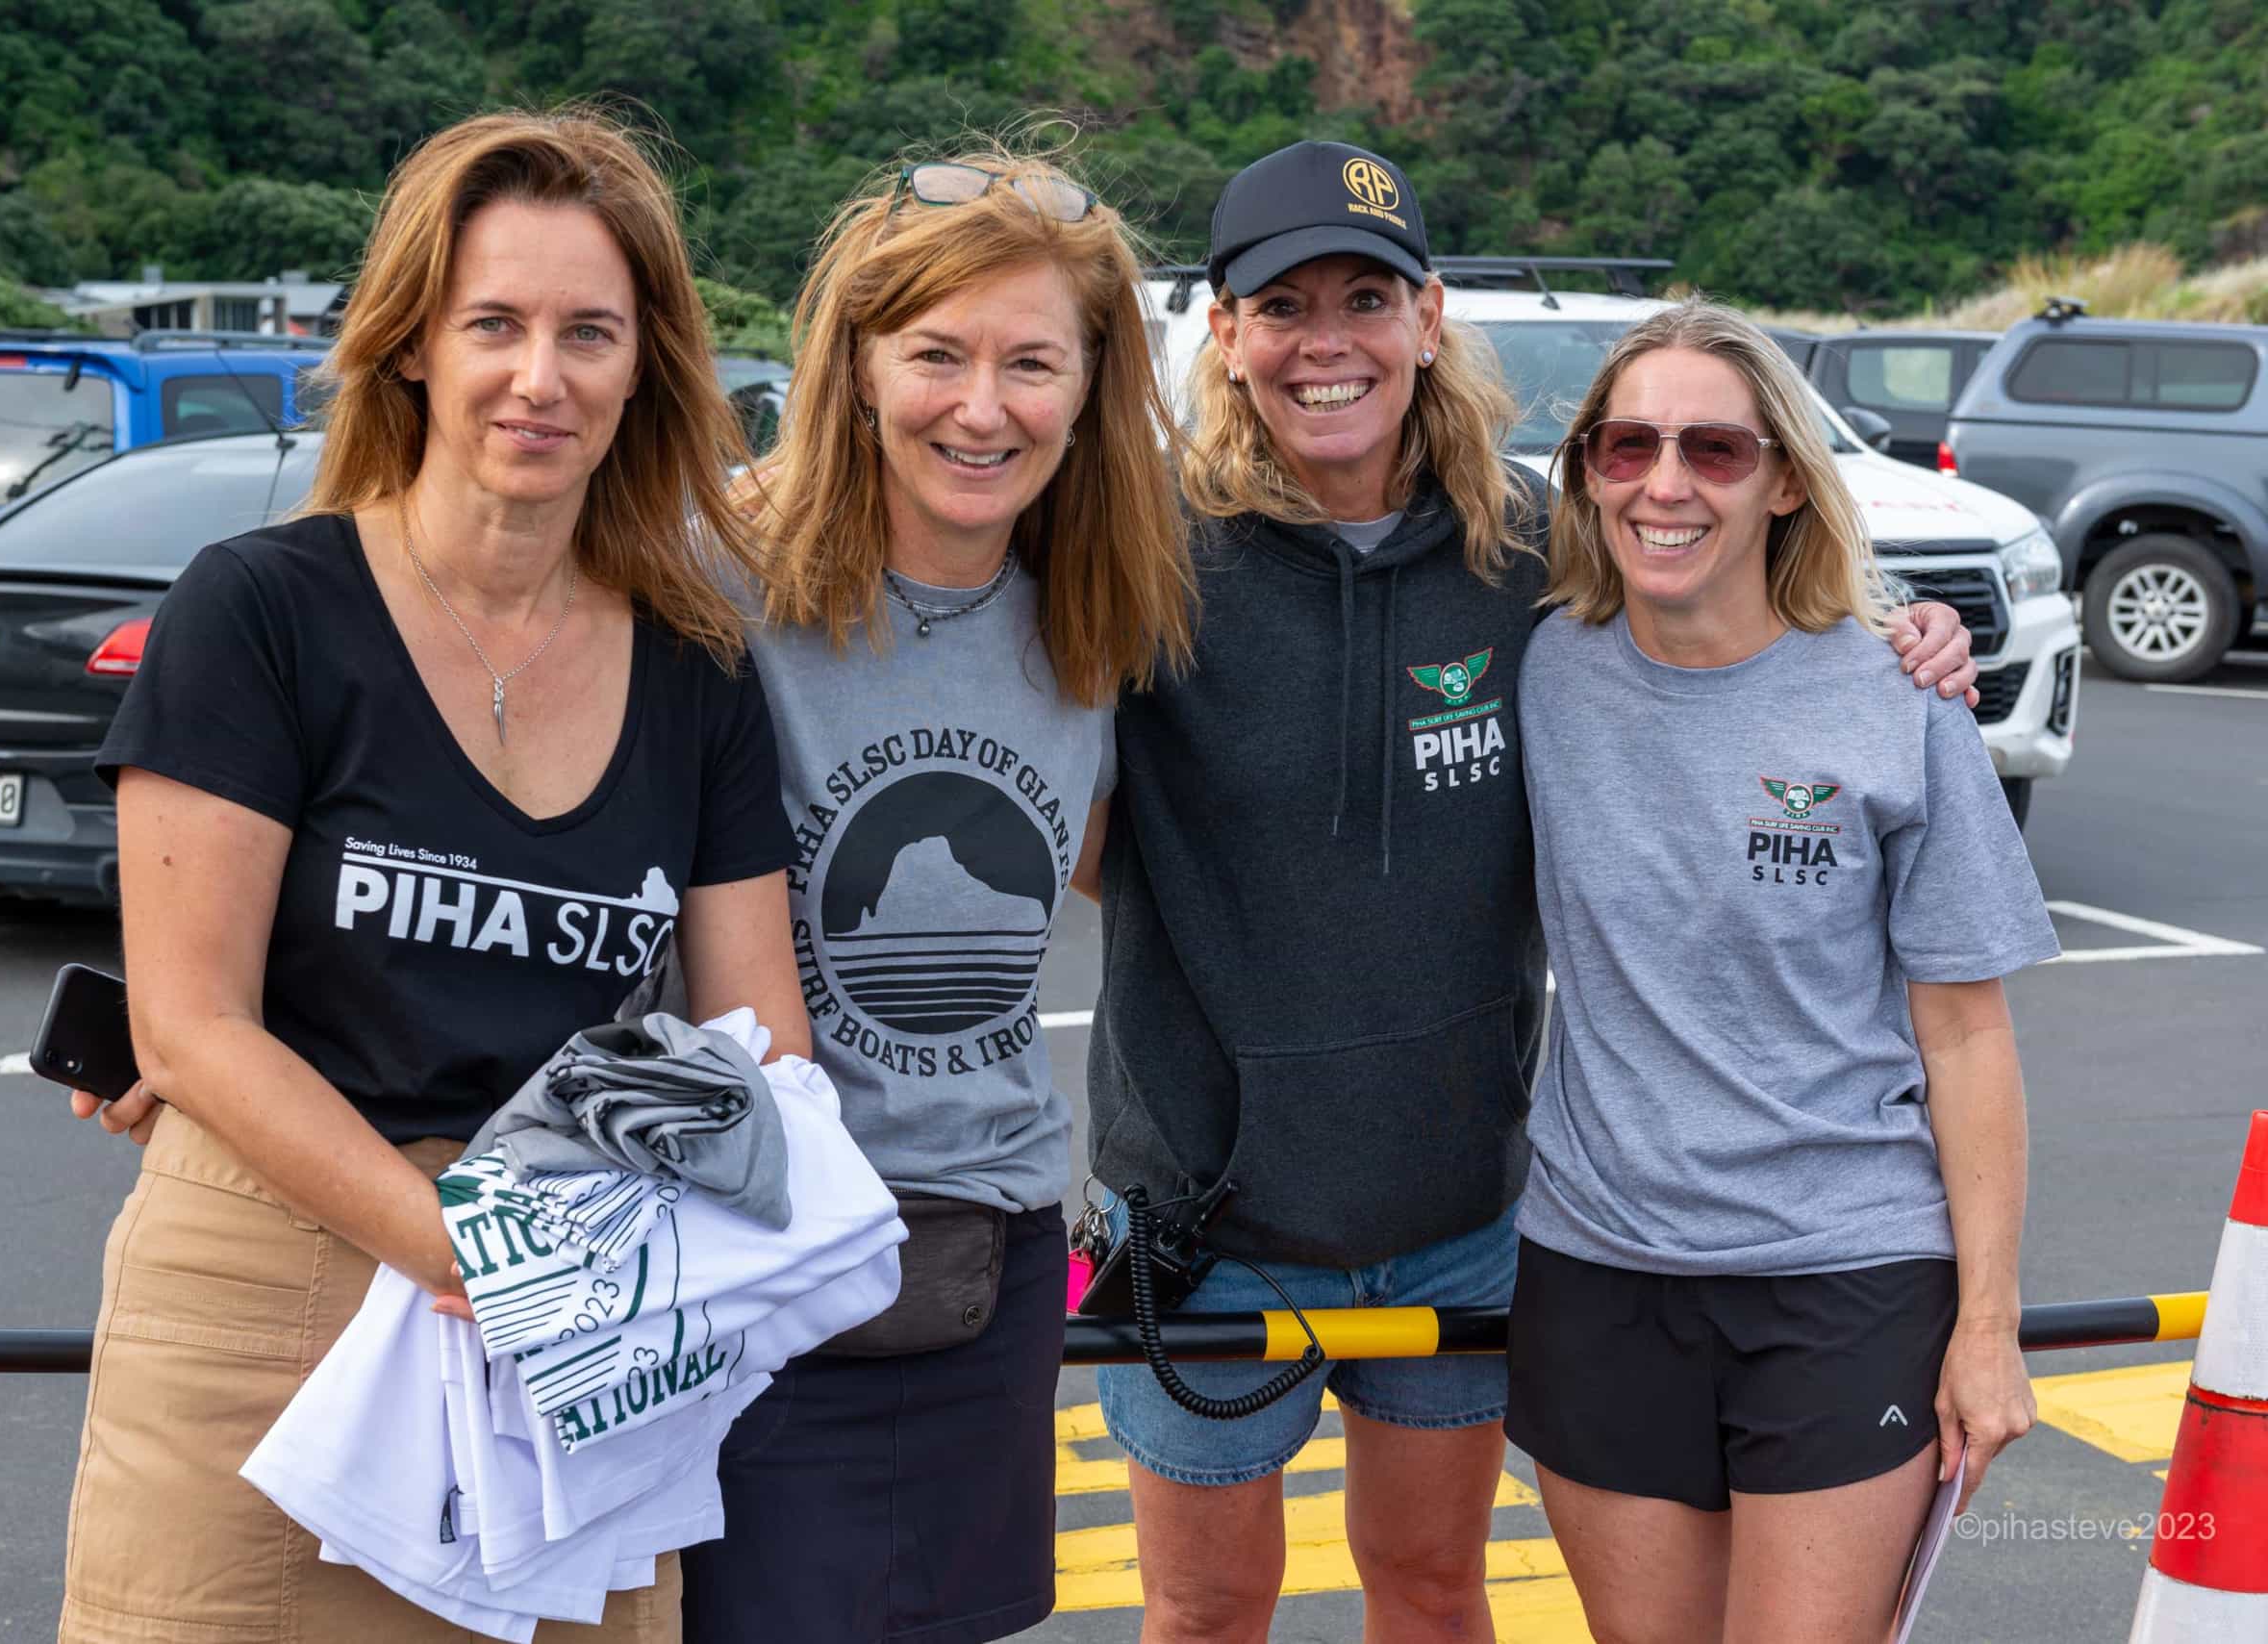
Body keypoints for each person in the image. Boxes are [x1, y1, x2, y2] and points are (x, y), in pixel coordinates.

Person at [1079, 139, 1983, 1644]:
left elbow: (1724, 595)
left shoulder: (1528, 554)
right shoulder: (1139, 558)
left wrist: (1900, 633)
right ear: (1223, 333)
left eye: (1365, 299)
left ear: (1429, 317)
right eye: (1282, 306)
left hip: (1460, 1201)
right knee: (1203, 1608)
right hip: (1201, 1216)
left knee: (1435, 1589)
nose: (1326, 342)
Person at [60, 109, 807, 1644]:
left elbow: (763, 1046)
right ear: (410, 344)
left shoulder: (696, 671)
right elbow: (191, 1025)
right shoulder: (261, 610)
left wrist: (579, 1259)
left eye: (589, 333)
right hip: (270, 1294)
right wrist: (472, 1253)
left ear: (643, 367)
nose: (542, 376)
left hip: (570, 1300)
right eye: (495, 325)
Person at [674, 148, 1197, 1644]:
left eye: (1032, 363)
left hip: (982, 1251)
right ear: (854, 364)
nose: (983, 408)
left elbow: (1182, 856)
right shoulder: (713, 577)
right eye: (937, 356)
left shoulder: (1099, 602)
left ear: (1091, 389)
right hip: (743, 1246)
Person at [1503, 299, 2052, 1643]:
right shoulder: (1544, 665)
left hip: (1843, 1275)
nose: (1666, 484)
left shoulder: (1895, 699)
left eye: (1716, 450)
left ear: (1787, 480)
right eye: (1627, 447)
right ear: (1588, 471)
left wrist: (1988, 1325)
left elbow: (1967, 1037)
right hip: (1600, 1266)